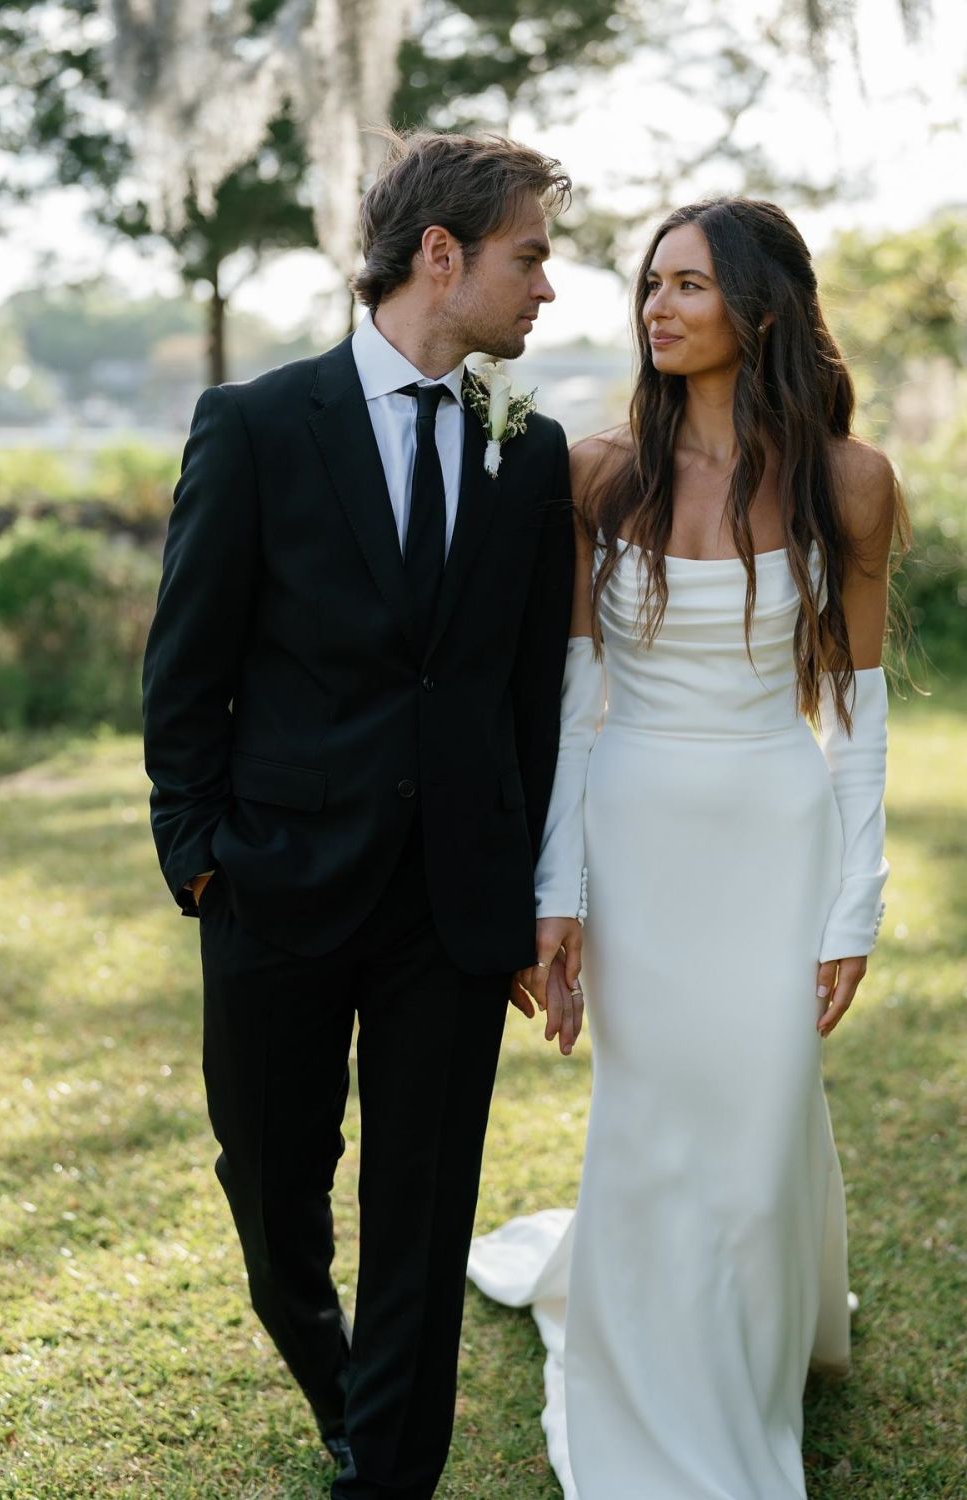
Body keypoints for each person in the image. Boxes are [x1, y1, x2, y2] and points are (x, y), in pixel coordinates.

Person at [142, 130, 577, 1500]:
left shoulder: (535, 447)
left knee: (422, 1214)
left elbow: (527, 701)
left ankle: (386, 1472)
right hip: (273, 885)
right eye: (531, 257)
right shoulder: (259, 426)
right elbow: (186, 667)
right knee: (274, 1204)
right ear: (438, 255)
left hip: (450, 911)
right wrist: (201, 861)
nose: (549, 290)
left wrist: (518, 900)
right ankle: (342, 1388)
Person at [469, 196, 906, 1499]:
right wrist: (561, 898)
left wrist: (855, 908)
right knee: (656, 1126)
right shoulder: (600, 473)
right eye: (651, 285)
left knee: (763, 1122)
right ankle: (657, 1394)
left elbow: (860, 717)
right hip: (639, 832)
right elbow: (571, 708)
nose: (656, 307)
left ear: (761, 309)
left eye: (690, 286)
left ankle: (760, 1350)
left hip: (777, 836)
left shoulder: (851, 481)